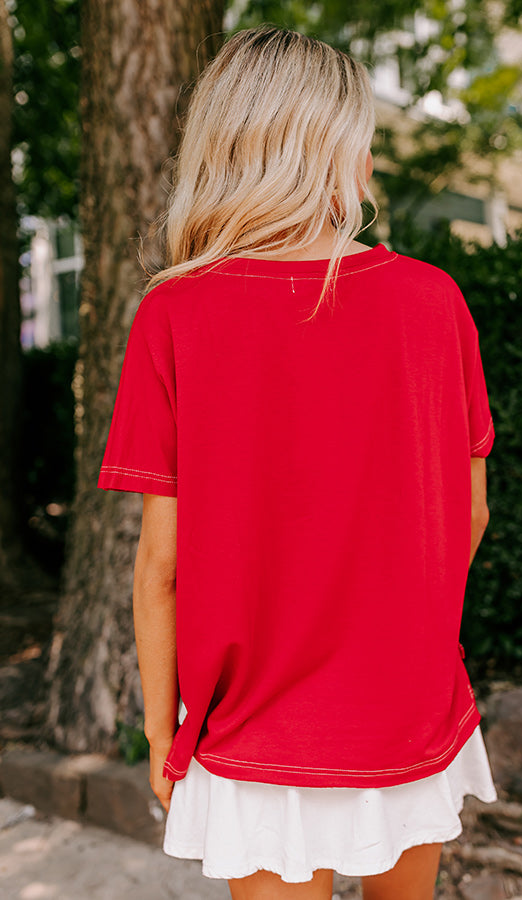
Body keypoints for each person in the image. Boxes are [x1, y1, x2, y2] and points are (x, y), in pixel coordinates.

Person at [97, 25, 497, 900]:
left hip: (251, 731)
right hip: (408, 706)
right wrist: (404, 643)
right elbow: (467, 518)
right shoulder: (434, 302)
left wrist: (166, 735)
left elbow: (159, 569)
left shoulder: (174, 316)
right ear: (333, 148)